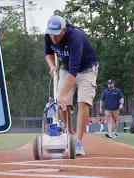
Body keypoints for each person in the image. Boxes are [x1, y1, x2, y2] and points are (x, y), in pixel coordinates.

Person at [44, 15, 99, 156]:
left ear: (63, 30)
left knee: (83, 102)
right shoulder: (48, 35)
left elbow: (74, 70)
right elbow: (48, 53)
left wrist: (62, 94)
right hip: (65, 69)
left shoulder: (75, 38)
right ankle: (70, 134)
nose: (53, 38)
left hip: (86, 69)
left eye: (56, 34)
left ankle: (78, 142)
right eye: (51, 33)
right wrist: (52, 66)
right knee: (62, 104)